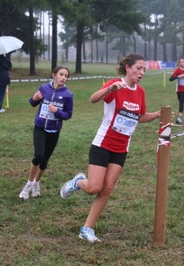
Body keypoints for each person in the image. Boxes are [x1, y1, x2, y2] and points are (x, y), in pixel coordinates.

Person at [59, 53, 165, 243]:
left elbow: (139, 117)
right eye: (139, 68)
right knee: (93, 187)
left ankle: (86, 229)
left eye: (144, 70)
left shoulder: (140, 92)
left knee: (106, 189)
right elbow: (93, 99)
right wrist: (109, 89)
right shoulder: (116, 84)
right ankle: (78, 182)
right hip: (103, 144)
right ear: (128, 67)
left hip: (122, 147)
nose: (142, 72)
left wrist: (158, 114)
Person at [19, 66, 73, 200]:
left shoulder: (68, 95)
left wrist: (57, 111)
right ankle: (28, 185)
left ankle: (37, 183)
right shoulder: (44, 88)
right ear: (53, 75)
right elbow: (32, 103)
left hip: (54, 130)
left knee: (44, 160)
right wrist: (35, 98)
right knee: (38, 156)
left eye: (66, 76)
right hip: (40, 128)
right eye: (61, 74)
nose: (63, 78)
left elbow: (68, 115)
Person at [169, 58, 184, 124]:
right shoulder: (178, 70)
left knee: (181, 102)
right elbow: (170, 79)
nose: (181, 63)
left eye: (183, 62)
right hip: (178, 88)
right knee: (180, 100)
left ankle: (180, 118)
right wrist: (178, 76)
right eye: (180, 62)